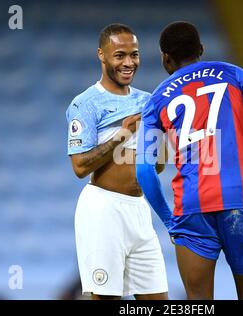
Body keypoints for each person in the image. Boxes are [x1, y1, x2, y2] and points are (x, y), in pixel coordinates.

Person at [136, 21, 243, 300]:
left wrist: (170, 222)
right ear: (201, 49)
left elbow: (144, 171)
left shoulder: (156, 100)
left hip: (192, 207)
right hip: (240, 198)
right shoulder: (235, 75)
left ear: (165, 58)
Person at [66, 23, 168, 300]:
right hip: (103, 209)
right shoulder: (85, 104)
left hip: (139, 209)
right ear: (101, 54)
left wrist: (162, 139)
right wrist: (124, 133)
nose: (128, 62)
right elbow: (80, 167)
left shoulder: (149, 101)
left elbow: (157, 166)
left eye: (134, 55)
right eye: (119, 55)